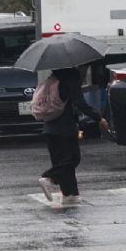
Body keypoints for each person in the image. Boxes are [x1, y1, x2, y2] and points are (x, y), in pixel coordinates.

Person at [37, 67, 109, 205]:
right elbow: (80, 103)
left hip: (49, 127)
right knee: (72, 159)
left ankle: (70, 194)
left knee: (61, 162)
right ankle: (49, 178)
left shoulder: (52, 78)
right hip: (65, 127)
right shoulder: (71, 78)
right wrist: (99, 118)